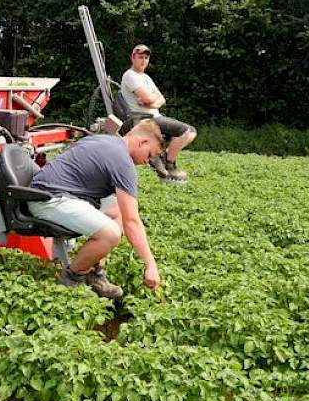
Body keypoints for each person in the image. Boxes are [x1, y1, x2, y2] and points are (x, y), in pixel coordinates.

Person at [27, 119, 165, 299]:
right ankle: (72, 277)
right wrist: (151, 265)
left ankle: (94, 273)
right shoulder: (123, 162)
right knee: (111, 233)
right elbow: (133, 222)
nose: (148, 161)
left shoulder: (106, 141)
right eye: (149, 154)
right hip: (47, 199)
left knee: (118, 213)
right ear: (142, 142)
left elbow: (127, 215)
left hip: (57, 192)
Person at [120, 44, 197, 183]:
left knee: (191, 132)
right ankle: (169, 164)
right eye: (140, 57)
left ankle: (165, 158)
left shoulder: (146, 78)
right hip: (143, 119)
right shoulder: (130, 75)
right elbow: (149, 97)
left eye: (146, 58)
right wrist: (151, 100)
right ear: (133, 57)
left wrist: (152, 103)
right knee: (186, 131)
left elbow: (161, 99)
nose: (143, 60)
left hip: (156, 116)